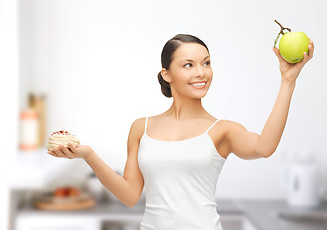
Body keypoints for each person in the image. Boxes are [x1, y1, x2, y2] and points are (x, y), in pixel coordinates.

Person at [48, 34, 314, 229]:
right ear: (167, 74)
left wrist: (287, 81)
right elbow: (130, 196)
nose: (201, 73)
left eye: (206, 63)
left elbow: (264, 147)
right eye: (188, 65)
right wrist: (88, 155)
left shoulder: (221, 131)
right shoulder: (142, 127)